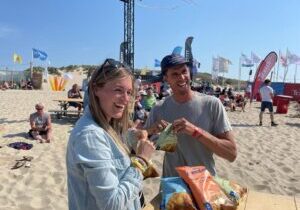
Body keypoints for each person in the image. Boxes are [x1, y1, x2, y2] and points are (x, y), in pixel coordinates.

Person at [66, 58, 156, 210]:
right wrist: (141, 161)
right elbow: (112, 204)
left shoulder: (107, 125)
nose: (126, 99)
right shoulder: (90, 136)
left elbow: (113, 148)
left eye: (129, 92)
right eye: (118, 90)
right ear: (96, 89)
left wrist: (132, 137)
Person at [144, 54, 237, 177]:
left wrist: (195, 131)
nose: (182, 77)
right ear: (166, 78)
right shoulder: (159, 108)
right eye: (175, 74)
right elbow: (138, 145)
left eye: (184, 72)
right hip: (172, 187)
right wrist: (151, 130)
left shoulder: (211, 104)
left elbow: (231, 154)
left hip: (204, 186)